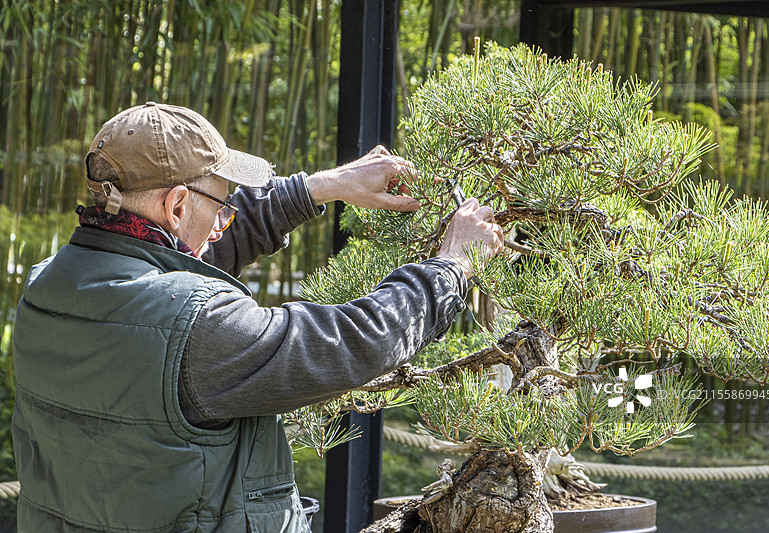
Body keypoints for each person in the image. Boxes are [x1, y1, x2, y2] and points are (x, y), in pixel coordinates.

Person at [11, 102, 503, 532]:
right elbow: (351, 343)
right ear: (176, 205)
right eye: (222, 204)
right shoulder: (200, 326)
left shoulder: (49, 286)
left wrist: (324, 187)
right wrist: (452, 267)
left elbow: (181, 259)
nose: (223, 224)